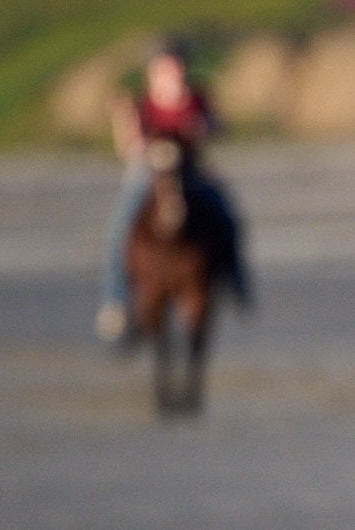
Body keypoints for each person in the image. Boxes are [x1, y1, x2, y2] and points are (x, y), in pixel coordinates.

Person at [95, 42, 248, 343]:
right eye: (166, 68)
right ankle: (115, 301)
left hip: (189, 170)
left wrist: (204, 126)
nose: (173, 73)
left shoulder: (198, 98)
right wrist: (124, 124)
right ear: (153, 72)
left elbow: (219, 128)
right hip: (148, 175)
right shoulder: (140, 104)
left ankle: (235, 282)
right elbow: (127, 150)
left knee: (226, 213)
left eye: (177, 67)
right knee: (120, 226)